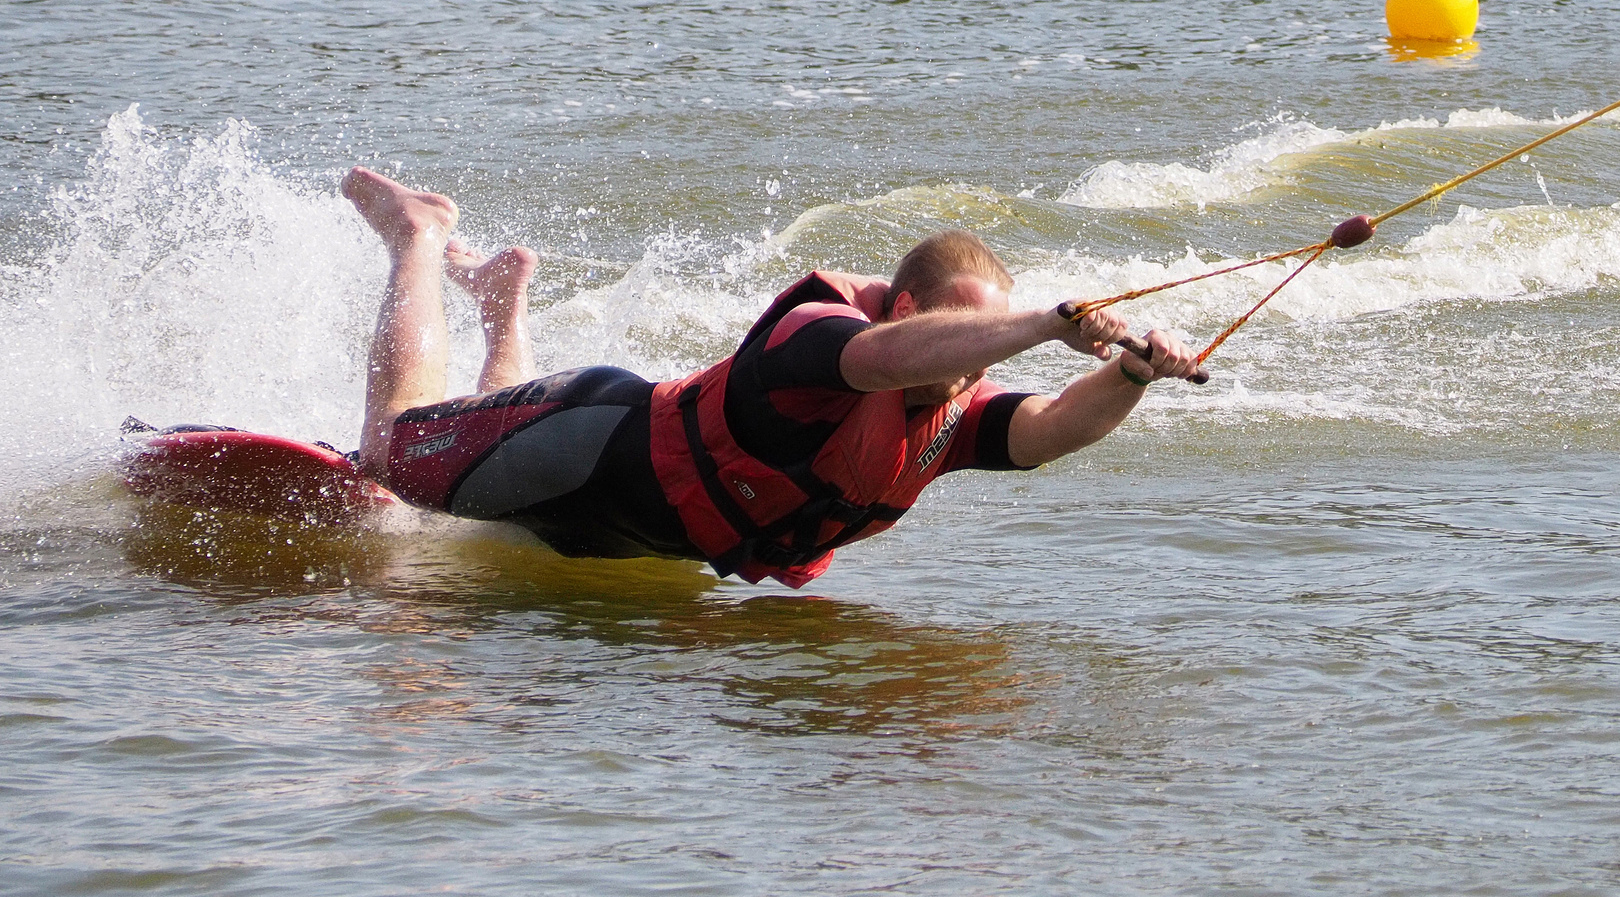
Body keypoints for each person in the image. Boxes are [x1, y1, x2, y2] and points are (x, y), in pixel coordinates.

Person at [342, 166, 1200, 588]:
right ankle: (418, 235)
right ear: (903, 311)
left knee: (476, 466)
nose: (973, 366)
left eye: (984, 348)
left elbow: (1051, 430)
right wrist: (1042, 324)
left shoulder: (949, 413)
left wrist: (1132, 372)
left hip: (629, 534)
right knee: (384, 457)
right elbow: (890, 361)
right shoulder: (819, 342)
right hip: (586, 442)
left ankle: (501, 304)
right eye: (963, 337)